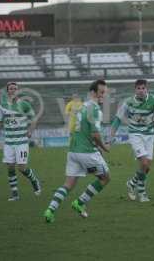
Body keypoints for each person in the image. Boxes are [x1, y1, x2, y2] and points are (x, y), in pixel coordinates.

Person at [44, 80, 110, 223]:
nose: (103, 95)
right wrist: (104, 147)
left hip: (73, 151)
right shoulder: (95, 109)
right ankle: (80, 202)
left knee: (68, 184)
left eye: (105, 92)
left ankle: (50, 210)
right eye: (101, 92)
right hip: (86, 152)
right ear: (93, 92)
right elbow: (95, 134)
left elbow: (76, 128)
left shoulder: (81, 107)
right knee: (105, 178)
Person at [110, 79, 154, 202]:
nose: (141, 91)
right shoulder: (128, 102)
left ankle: (132, 183)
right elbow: (117, 119)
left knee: (147, 167)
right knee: (144, 163)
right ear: (135, 90)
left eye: (143, 88)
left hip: (149, 135)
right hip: (135, 134)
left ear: (147, 89)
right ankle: (142, 193)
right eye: (138, 88)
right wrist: (111, 136)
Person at [0, 82, 41, 201]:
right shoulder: (3, 106)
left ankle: (34, 180)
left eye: (15, 89)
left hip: (22, 141)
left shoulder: (24, 104)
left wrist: (30, 131)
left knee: (22, 168)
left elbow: (33, 120)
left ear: (18, 91)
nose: (13, 90)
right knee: (10, 167)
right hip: (9, 142)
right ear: (8, 91)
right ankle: (15, 193)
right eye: (11, 89)